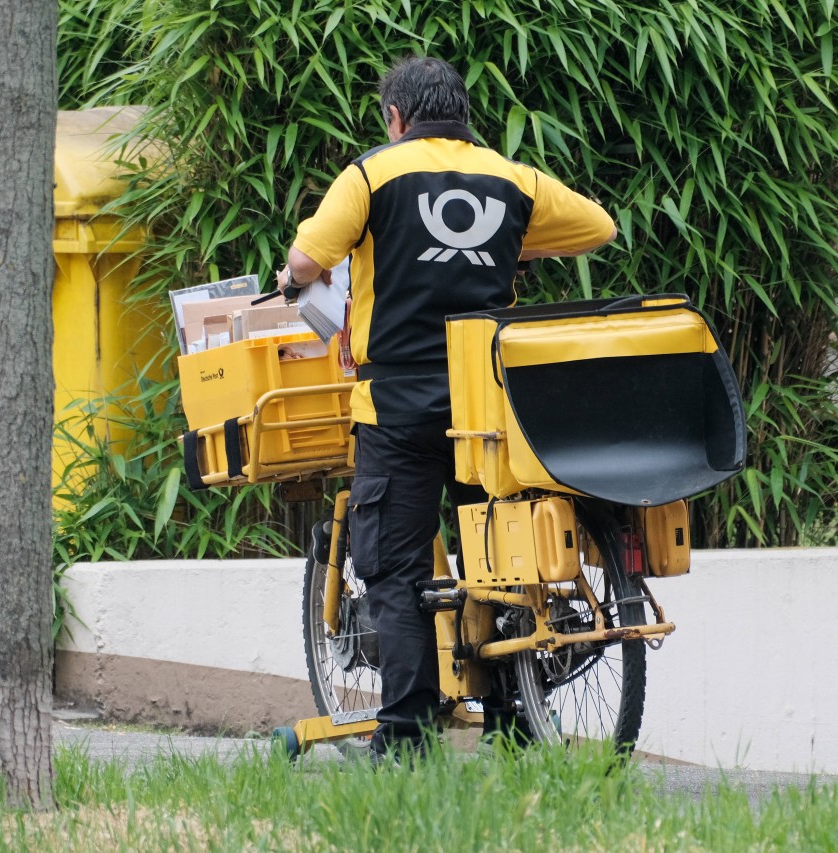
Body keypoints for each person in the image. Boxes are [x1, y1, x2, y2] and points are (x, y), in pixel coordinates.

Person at [277, 56, 616, 762]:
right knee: (495, 553)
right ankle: (513, 714)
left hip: (397, 400)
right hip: (488, 400)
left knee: (396, 567)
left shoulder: (372, 175)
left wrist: (290, 277)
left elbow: (308, 262)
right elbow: (598, 228)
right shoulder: (510, 176)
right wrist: (515, 243)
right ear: (460, 114)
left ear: (395, 118)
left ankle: (406, 734)